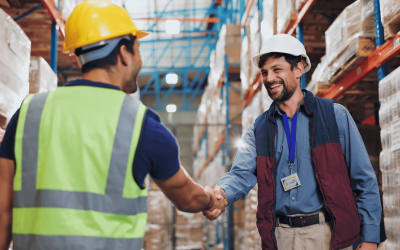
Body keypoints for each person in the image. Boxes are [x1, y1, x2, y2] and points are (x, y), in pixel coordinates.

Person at [0, 1, 225, 249]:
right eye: (138, 50)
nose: (140, 61)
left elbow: (3, 213)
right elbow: (187, 198)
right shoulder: (143, 125)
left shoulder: (28, 112)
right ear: (123, 54)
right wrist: (210, 199)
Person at [203, 34, 381, 250]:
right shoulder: (259, 129)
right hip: (281, 236)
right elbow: (240, 174)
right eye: (265, 72)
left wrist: (370, 237)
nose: (269, 78)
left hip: (328, 233)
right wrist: (220, 194)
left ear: (298, 69)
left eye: (277, 69)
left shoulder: (334, 116)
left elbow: (363, 178)